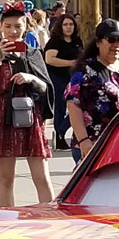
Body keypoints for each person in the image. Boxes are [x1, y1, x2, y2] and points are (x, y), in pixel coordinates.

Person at [0, 0, 54, 206]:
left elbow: (46, 87)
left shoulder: (32, 52)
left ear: (26, 27)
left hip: (29, 113)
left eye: (18, 26)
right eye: (8, 26)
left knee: (41, 176)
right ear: (0, 27)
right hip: (2, 114)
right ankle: (7, 218)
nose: (13, 31)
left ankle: (49, 217)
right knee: (6, 178)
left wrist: (31, 79)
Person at [66, 19, 119, 163]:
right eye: (112, 40)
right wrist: (84, 141)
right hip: (94, 144)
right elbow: (73, 105)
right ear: (98, 42)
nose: (117, 45)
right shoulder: (86, 70)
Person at [44, 14, 83, 150]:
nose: (68, 27)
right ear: (60, 26)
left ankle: (61, 129)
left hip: (73, 77)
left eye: (71, 24)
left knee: (79, 104)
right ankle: (59, 136)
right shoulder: (55, 41)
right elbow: (49, 59)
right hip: (57, 76)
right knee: (61, 105)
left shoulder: (77, 40)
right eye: (65, 24)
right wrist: (69, 63)